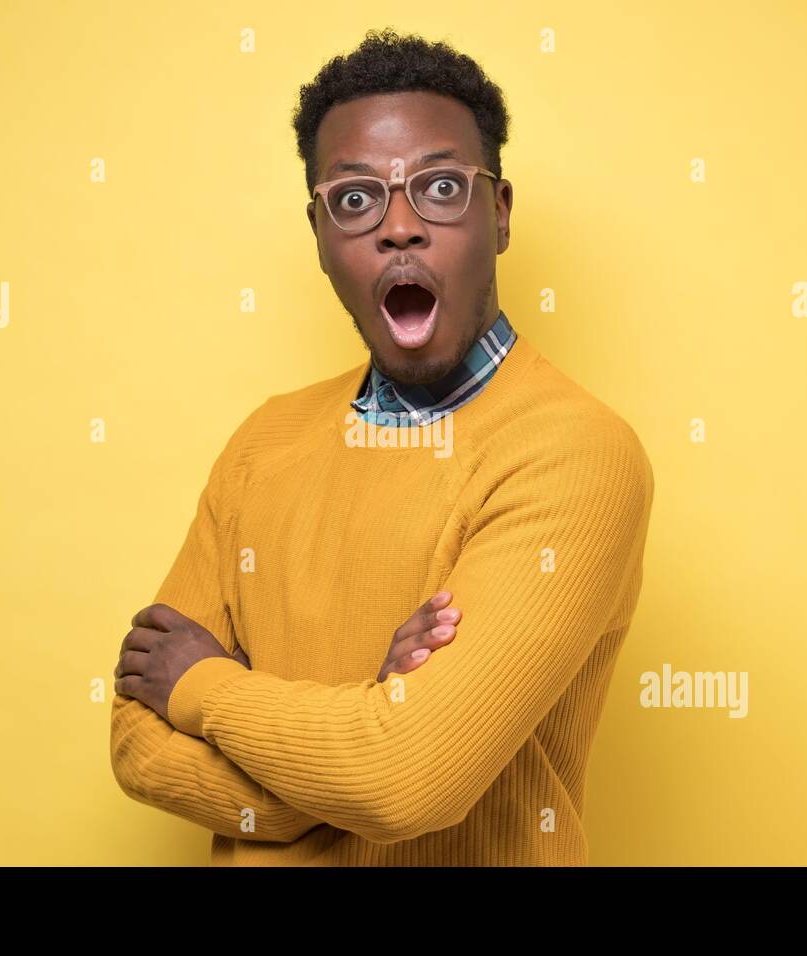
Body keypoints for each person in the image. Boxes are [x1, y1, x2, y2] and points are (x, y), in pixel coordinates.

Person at [110, 27, 655, 865]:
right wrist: (346, 743)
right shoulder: (265, 440)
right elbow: (134, 737)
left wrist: (202, 685)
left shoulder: (576, 454)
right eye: (356, 200)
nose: (399, 228)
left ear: (498, 215)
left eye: (440, 188)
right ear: (321, 236)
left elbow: (407, 781)